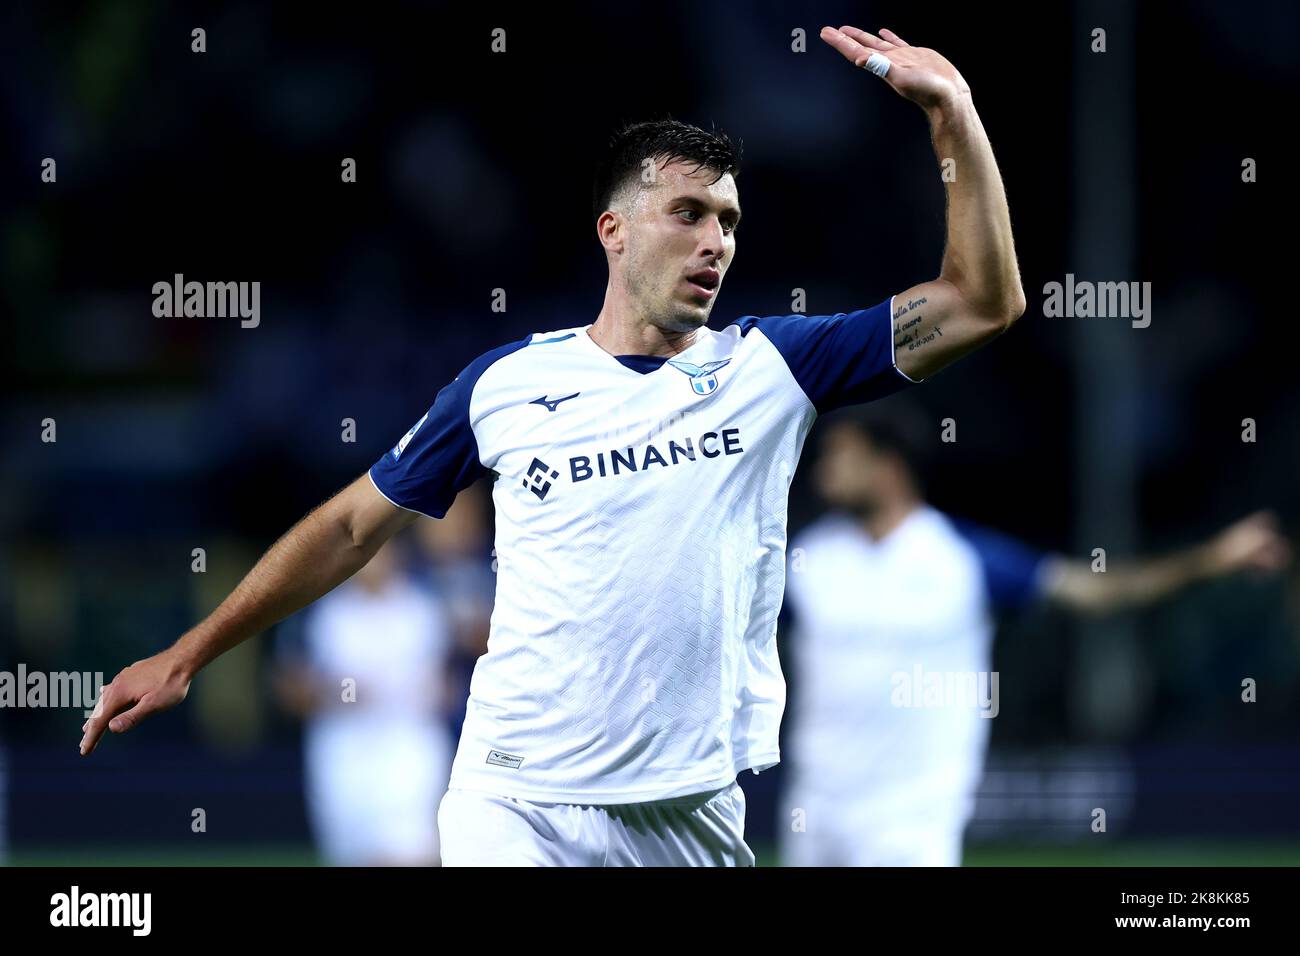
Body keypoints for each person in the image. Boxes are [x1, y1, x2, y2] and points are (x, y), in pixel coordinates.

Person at [81, 26, 1029, 866]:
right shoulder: (504, 386)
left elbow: (983, 304)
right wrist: (189, 654)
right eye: (689, 214)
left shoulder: (776, 365)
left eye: (730, 222)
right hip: (514, 798)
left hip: (689, 808)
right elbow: (348, 528)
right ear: (613, 231)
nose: (716, 242)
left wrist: (956, 118)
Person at [778, 402, 1291, 866]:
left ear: (888, 467)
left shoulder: (963, 559)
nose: (824, 469)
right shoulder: (808, 561)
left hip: (911, 821)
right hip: (814, 810)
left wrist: (1210, 559)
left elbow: (1095, 592)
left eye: (841, 455)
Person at [272, 537, 453, 866]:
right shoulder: (320, 611)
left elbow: (451, 683)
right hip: (343, 754)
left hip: (408, 747)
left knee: (409, 849)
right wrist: (338, 692)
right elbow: (289, 690)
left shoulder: (425, 605)